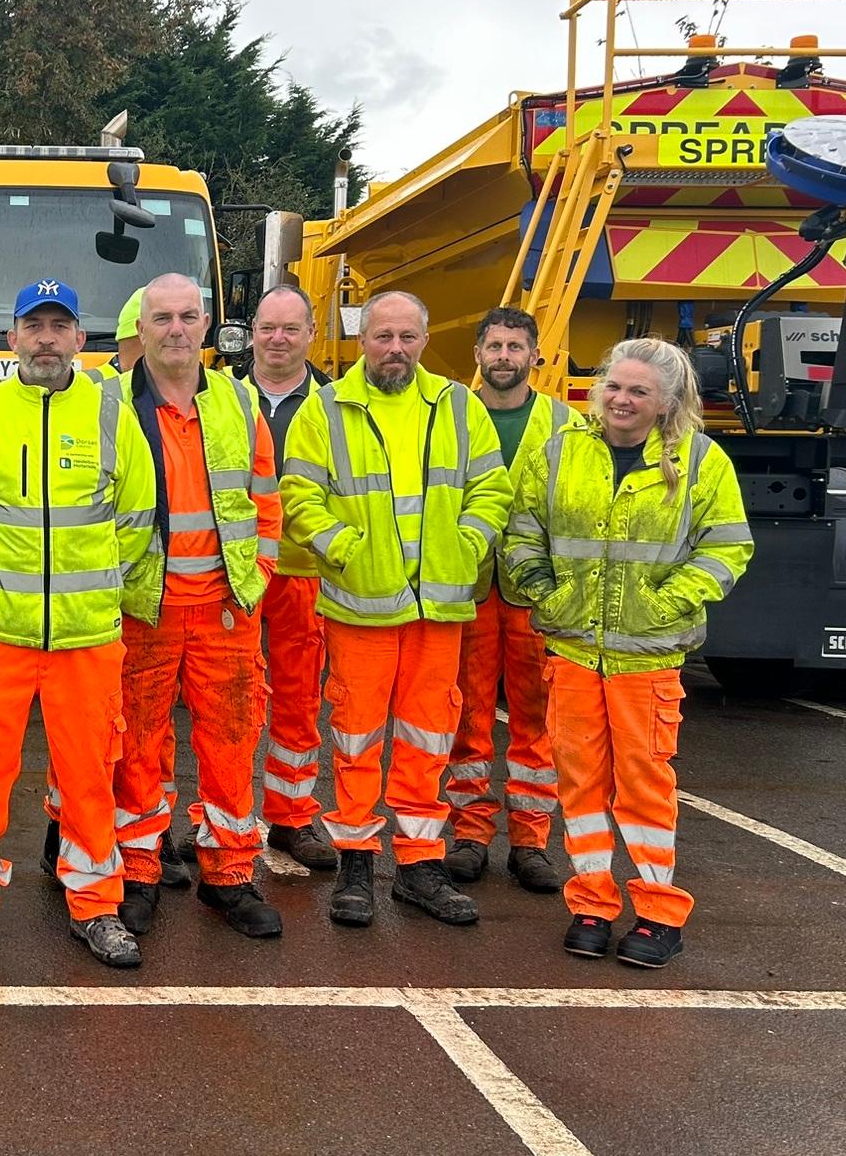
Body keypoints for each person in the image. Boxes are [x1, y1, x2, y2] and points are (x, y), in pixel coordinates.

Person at [503, 338, 751, 968]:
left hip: (648, 657)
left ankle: (658, 914)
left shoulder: (700, 460)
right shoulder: (559, 454)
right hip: (574, 650)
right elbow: (522, 532)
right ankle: (590, 903)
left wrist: (669, 602)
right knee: (580, 784)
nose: (622, 400)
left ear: (666, 402)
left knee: (644, 787)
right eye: (615, 386)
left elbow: (727, 547)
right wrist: (544, 594)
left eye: (639, 391)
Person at [0, 278, 161, 972]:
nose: (46, 338)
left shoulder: (109, 414)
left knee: (92, 778)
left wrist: (90, 601)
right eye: (33, 325)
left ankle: (95, 907)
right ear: (11, 339)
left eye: (59, 325)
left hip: (85, 639)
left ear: (80, 341)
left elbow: (136, 519)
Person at [281, 289, 510, 928]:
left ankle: (418, 867)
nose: (395, 350)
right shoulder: (324, 410)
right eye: (383, 337)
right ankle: (356, 865)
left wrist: (468, 545)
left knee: (427, 739)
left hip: (439, 608)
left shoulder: (457, 406)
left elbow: (493, 488)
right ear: (362, 339)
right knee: (356, 739)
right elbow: (300, 494)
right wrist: (345, 550)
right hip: (361, 607)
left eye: (408, 337)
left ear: (425, 339)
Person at [112, 274, 283, 939]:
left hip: (224, 614)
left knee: (232, 747)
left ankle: (229, 876)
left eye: (188, 316)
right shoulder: (115, 408)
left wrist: (258, 572)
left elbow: (266, 499)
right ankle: (139, 872)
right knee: (138, 752)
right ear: (143, 329)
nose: (176, 329)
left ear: (206, 326)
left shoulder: (239, 405)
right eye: (163, 318)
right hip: (144, 611)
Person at [445, 308, 570, 893]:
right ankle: (470, 834)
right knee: (465, 716)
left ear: (534, 355)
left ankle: (530, 842)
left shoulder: (565, 424)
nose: (503, 356)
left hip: (534, 590)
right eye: (493, 345)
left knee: (536, 720)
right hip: (468, 586)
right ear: (477, 353)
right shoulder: (452, 417)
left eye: (514, 347)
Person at [243, 286, 337, 872]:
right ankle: (216, 812)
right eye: (267, 327)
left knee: (300, 700)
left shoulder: (334, 405)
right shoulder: (221, 398)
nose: (278, 339)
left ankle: (292, 817)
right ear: (251, 331)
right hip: (236, 572)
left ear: (309, 335)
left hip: (303, 572)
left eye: (290, 329)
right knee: (227, 703)